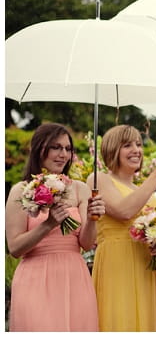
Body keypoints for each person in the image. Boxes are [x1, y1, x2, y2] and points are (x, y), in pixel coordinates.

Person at [6, 123, 105, 331]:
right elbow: (15, 248)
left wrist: (92, 219)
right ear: (40, 149)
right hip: (35, 277)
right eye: (56, 147)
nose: (64, 154)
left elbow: (87, 244)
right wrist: (48, 225)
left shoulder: (80, 189)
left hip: (74, 276)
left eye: (68, 149)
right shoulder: (20, 190)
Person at [87, 124, 156, 331]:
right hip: (117, 264)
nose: (136, 149)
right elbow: (124, 211)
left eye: (138, 144)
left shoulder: (144, 191)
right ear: (112, 150)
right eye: (127, 145)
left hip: (148, 269)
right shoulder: (99, 179)